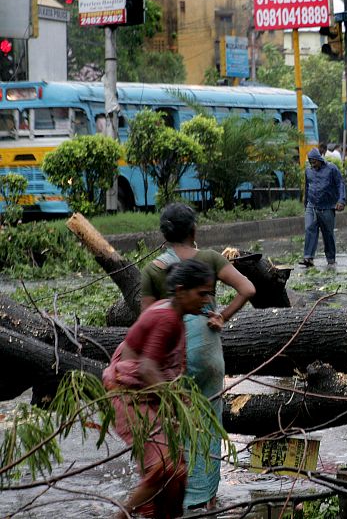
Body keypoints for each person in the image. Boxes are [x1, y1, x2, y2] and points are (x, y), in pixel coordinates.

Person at [140, 203, 255, 511]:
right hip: (208, 351)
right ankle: (207, 499)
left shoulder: (153, 269)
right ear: (194, 231)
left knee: (175, 421)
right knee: (208, 424)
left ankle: (176, 495)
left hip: (172, 354)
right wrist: (222, 315)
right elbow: (248, 288)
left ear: (164, 235)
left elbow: (147, 320)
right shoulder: (210, 259)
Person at [103, 259, 215, 519]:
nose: (206, 300)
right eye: (201, 293)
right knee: (165, 468)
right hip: (129, 396)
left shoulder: (174, 315)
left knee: (176, 478)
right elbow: (146, 369)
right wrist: (179, 404)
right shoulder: (167, 318)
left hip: (148, 395)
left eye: (209, 293)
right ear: (180, 290)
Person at [301, 147, 346, 267]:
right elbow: (307, 187)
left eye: (314, 161)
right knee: (309, 228)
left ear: (319, 159)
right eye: (310, 162)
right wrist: (305, 203)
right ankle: (308, 257)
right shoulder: (308, 171)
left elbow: (340, 184)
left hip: (327, 206)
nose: (312, 164)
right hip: (312, 205)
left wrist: (341, 200)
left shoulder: (331, 169)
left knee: (328, 233)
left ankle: (331, 259)